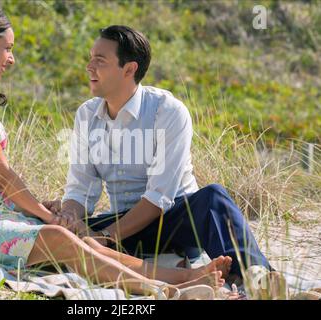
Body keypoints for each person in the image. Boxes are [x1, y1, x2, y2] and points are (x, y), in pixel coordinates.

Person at [0, 4, 234, 299]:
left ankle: (183, 278)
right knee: (64, 238)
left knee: (80, 239)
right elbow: (2, 175)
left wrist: (46, 212)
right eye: (7, 48)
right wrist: (49, 215)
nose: (11, 58)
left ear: (130, 69)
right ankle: (164, 290)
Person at [59, 25, 273, 282]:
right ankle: (179, 273)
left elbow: (159, 199)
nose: (89, 66)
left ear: (129, 69)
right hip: (123, 226)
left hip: (173, 223)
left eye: (100, 60)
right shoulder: (87, 114)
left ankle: (258, 279)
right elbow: (80, 189)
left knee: (214, 198)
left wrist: (104, 237)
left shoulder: (167, 111)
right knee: (53, 231)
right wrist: (69, 215)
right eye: (91, 57)